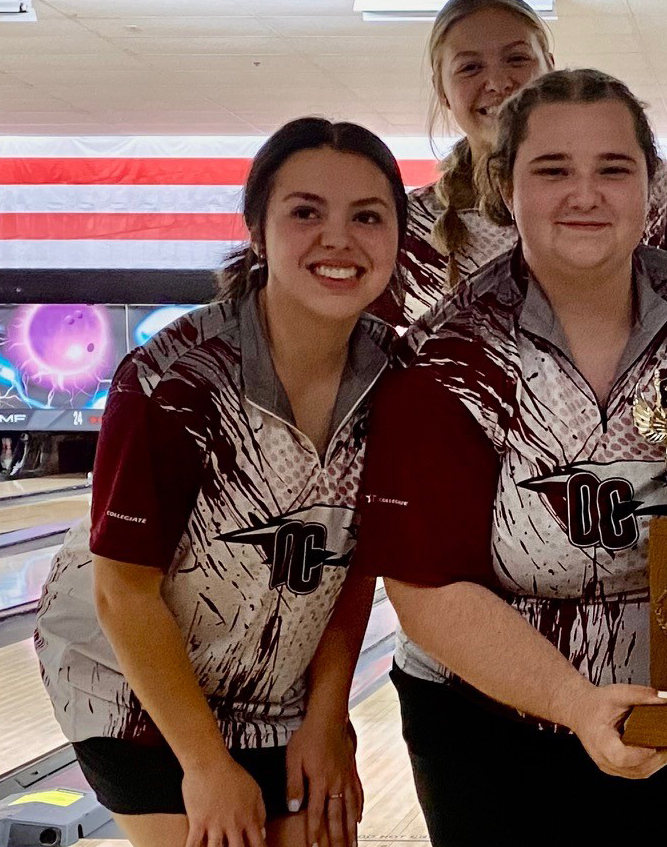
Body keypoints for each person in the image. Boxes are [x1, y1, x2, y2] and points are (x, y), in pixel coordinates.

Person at [354, 69, 667, 846]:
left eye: (613, 168)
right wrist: (578, 702)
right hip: (484, 726)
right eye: (553, 169)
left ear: (653, 188)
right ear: (507, 186)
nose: (586, 194)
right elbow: (427, 588)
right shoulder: (446, 357)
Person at [34, 117, 405, 847]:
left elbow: (354, 566)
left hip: (279, 689)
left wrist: (329, 722)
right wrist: (204, 764)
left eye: (367, 216)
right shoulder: (173, 378)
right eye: (305, 212)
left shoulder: (399, 381)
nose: (339, 238)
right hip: (130, 686)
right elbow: (123, 591)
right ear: (257, 231)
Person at [377, 0, 667, 327]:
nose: (497, 82)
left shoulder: (649, 188)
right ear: (442, 90)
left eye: (516, 59)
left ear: (549, 67)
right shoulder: (408, 227)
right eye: (470, 67)